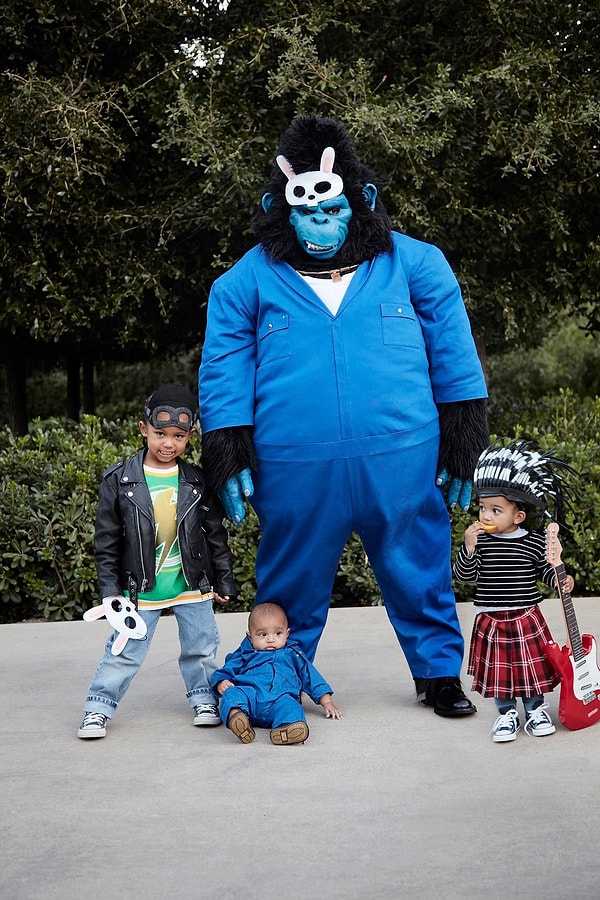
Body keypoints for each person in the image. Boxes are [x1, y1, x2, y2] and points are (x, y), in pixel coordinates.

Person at [199, 115, 490, 718]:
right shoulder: (244, 281)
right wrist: (227, 442)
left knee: (420, 564)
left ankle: (438, 673)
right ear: (281, 210)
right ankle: (278, 673)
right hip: (294, 466)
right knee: (290, 572)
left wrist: (464, 432)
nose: (321, 226)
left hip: (402, 457)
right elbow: (224, 364)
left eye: (332, 212)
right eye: (307, 214)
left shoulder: (416, 264)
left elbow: (454, 351)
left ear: (359, 203)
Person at [78, 383, 237, 739]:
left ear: (190, 436)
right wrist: (109, 590)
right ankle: (97, 709)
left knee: (201, 648)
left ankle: (204, 699)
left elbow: (214, 534)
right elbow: (106, 542)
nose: (168, 443)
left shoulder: (196, 480)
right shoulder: (120, 481)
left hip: (191, 583)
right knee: (124, 652)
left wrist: (223, 578)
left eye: (179, 436)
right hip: (140, 589)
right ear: (143, 429)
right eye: (160, 433)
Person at [453, 439, 578, 743]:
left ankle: (535, 709)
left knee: (530, 668)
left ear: (518, 516)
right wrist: (468, 547)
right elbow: (465, 577)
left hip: (526, 614)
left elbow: (544, 570)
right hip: (491, 617)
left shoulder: (533, 542)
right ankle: (506, 713)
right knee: (501, 672)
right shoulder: (481, 542)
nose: (486, 516)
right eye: (483, 508)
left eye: (496, 510)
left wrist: (560, 579)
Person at [212, 602, 342, 745]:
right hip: (249, 697)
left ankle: (286, 728)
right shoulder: (245, 653)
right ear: (250, 637)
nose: (271, 639)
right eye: (262, 634)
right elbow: (227, 669)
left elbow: (310, 676)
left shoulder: (293, 654)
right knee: (232, 694)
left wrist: (327, 702)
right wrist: (221, 682)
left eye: (278, 633)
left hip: (279, 699)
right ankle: (236, 716)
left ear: (287, 633)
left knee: (291, 707)